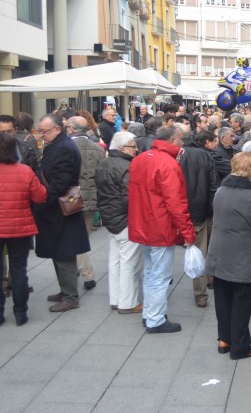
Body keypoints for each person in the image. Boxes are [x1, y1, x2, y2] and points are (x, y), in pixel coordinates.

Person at [128, 126, 197, 334]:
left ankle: (151, 314)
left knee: (150, 273)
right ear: (173, 139)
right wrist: (188, 233)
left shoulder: (140, 159)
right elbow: (176, 203)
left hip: (143, 223)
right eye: (181, 139)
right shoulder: (168, 164)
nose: (183, 143)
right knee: (159, 276)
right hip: (160, 226)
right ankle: (155, 319)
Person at [207, 152, 251, 359]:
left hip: (219, 252)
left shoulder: (221, 191)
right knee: (241, 301)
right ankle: (240, 347)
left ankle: (224, 339)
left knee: (223, 298)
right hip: (240, 256)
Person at [34, 114, 92, 312]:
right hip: (55, 207)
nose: (41, 135)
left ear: (57, 129)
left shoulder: (64, 147)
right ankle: (64, 290)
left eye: (44, 131)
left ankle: (70, 296)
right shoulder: (57, 144)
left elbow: (61, 181)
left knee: (64, 252)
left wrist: (43, 199)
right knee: (57, 251)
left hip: (60, 207)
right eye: (40, 131)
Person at [0, 132, 46, 325]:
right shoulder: (25, 171)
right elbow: (40, 197)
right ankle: (20, 313)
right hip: (20, 228)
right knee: (19, 270)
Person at [95, 131, 143, 313]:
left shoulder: (105, 163)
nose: (136, 149)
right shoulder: (128, 166)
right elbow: (130, 196)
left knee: (115, 260)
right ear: (123, 148)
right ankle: (127, 302)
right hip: (125, 218)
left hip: (110, 216)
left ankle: (116, 298)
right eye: (133, 146)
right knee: (129, 262)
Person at [178, 124, 218, 307]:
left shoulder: (175, 155)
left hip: (181, 210)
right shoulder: (203, 155)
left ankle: (200, 293)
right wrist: (211, 208)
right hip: (201, 210)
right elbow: (213, 184)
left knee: (196, 251)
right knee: (203, 249)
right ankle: (204, 288)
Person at [67, 116, 105, 291]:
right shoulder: (97, 148)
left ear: (71, 129)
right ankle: (78, 269)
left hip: (70, 196)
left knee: (74, 237)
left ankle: (87, 274)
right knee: (83, 235)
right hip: (91, 196)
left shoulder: (65, 147)